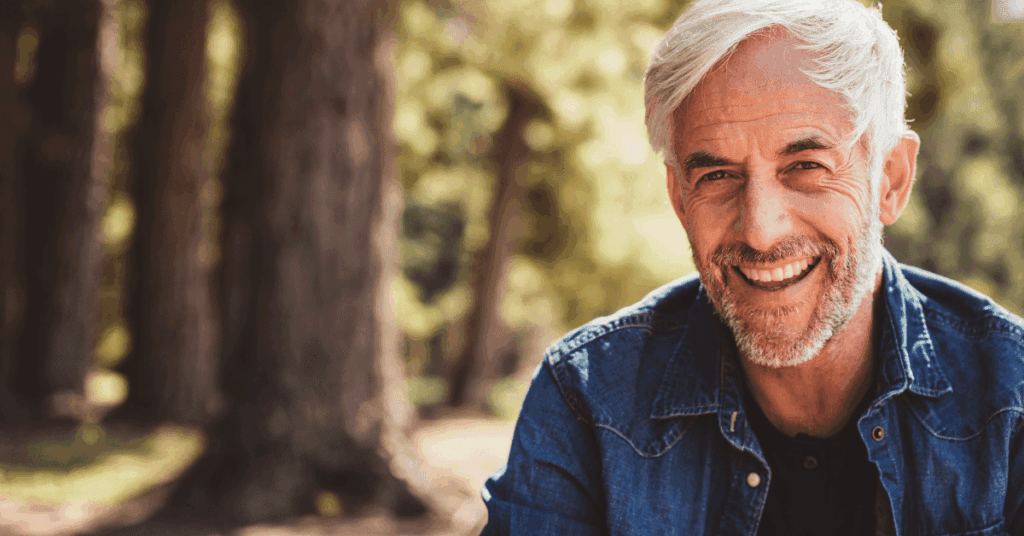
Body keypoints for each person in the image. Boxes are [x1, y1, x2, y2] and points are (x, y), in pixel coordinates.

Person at [480, 0, 1024, 534]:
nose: (760, 230)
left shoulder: (1012, 399)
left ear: (891, 180)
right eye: (717, 176)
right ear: (680, 199)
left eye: (806, 166)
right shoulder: (586, 401)